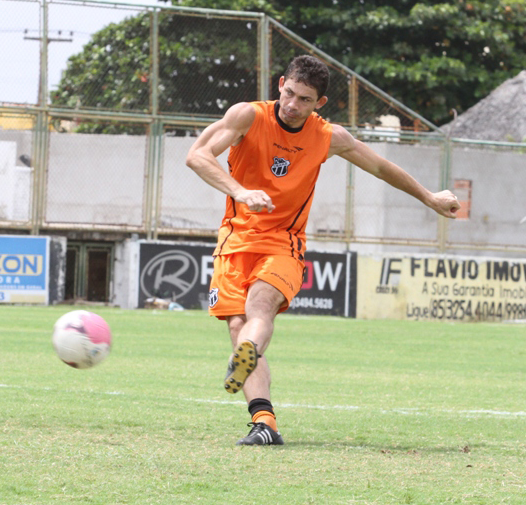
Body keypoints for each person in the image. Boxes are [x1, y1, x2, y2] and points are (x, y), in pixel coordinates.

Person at [185, 55, 460, 446]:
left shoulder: (329, 136)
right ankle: (265, 423)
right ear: (281, 84)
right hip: (235, 239)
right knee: (236, 324)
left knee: (258, 309)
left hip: (284, 241)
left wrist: (430, 197)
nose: (293, 105)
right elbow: (197, 155)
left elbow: (381, 168)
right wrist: (240, 191)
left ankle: (249, 348)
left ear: (320, 104)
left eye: (305, 100)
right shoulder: (247, 115)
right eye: (290, 93)